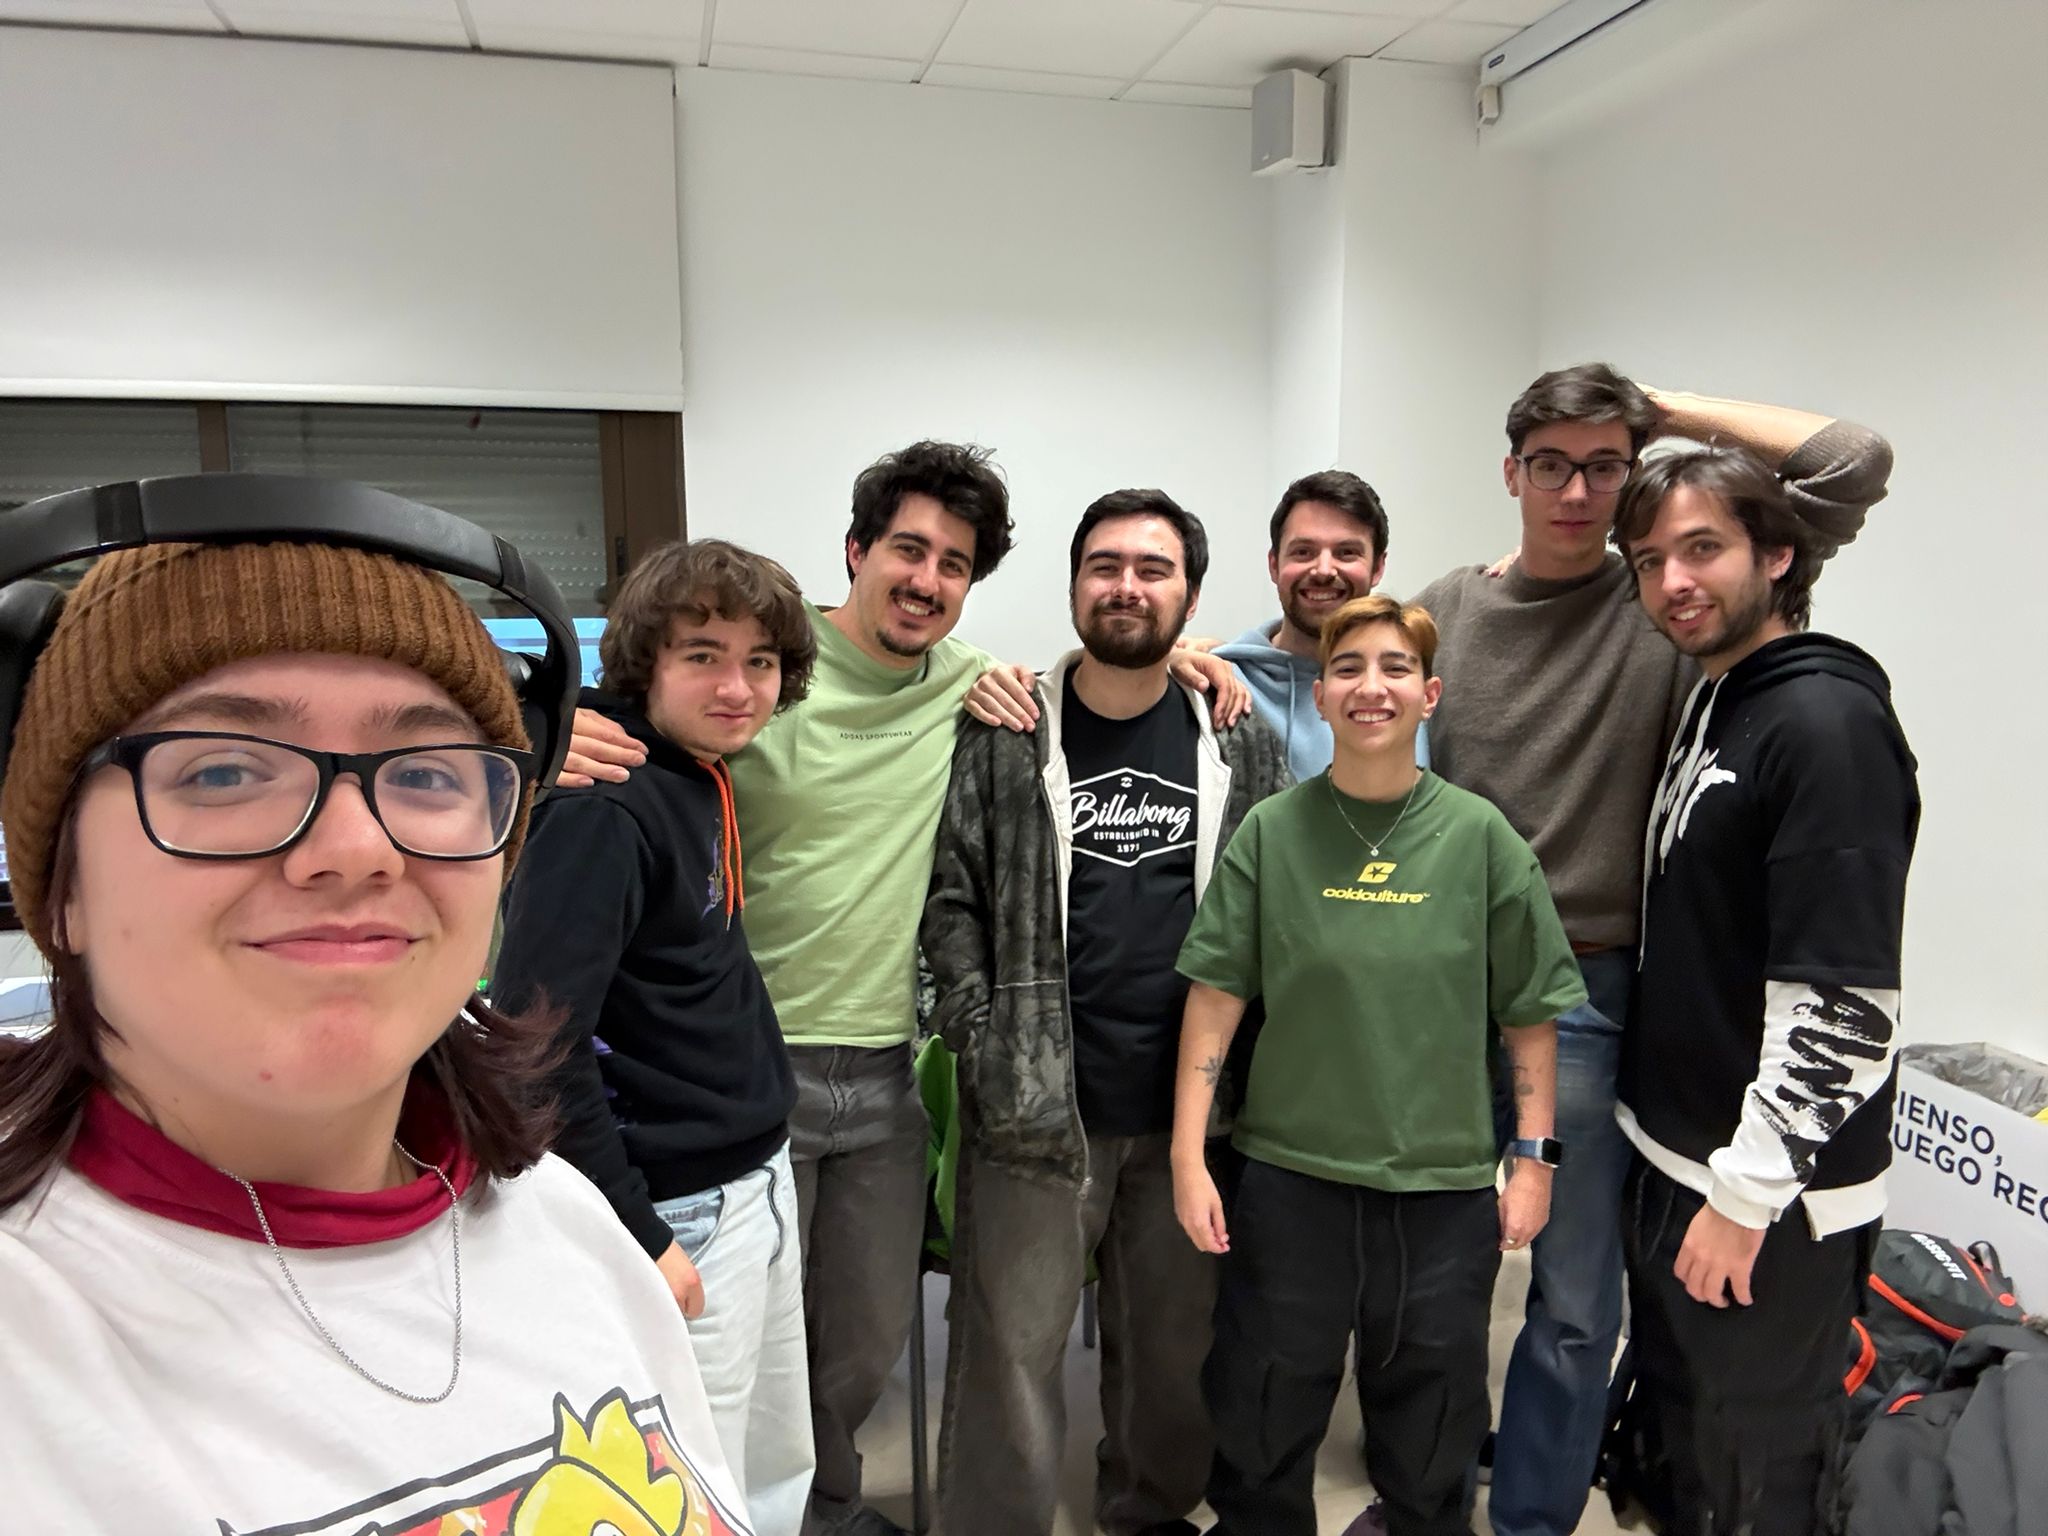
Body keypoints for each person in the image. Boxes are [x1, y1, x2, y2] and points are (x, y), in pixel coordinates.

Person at [0, 478, 750, 1534]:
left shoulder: (568, 1229)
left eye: (429, 774)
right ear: (62, 885)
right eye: (223, 771)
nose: (356, 850)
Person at [560, 443, 1245, 1536]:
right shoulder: (767, 673)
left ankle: (823, 1508)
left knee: (860, 1345)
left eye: (954, 564)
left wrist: (1205, 661)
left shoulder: (975, 691)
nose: (926, 580)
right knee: (734, 1349)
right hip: (747, 1073)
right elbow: (649, 710)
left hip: (882, 1074)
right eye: (907, 550)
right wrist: (542, 731)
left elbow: (1118, 672)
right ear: (856, 550)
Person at [1412, 366, 1894, 1536]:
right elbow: (1333, 666)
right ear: (1509, 473)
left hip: (1588, 992)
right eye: (1550, 464)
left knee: (1575, 1300)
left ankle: (1531, 1516)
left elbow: (1848, 460)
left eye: (1603, 465)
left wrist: (1657, 408)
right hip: (1442, 989)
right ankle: (1425, 1492)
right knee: (1433, 1282)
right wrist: (1198, 659)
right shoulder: (1454, 607)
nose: (1576, 491)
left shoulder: (1666, 610)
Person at [1170, 594, 1584, 1536]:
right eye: (1348, 667)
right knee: (1262, 1407)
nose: (1371, 687)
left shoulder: (1481, 837)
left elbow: (1529, 1017)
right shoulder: (1272, 832)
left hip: (1438, 1191)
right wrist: (1189, 1156)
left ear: (1429, 695)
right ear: (1319, 695)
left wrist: (1533, 1162)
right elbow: (1215, 999)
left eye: (1396, 668)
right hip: (1290, 1180)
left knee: (1433, 1426)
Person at [921, 490, 1291, 1536]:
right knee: (1007, 1352)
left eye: (1152, 569)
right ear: (1075, 583)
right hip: (1034, 1109)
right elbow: (952, 899)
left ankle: (1149, 1513)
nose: (1126, 586)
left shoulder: (1235, 738)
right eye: (1105, 566)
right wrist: (981, 1037)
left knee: (1174, 1353)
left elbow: (1270, 911)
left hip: (1192, 1116)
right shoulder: (1007, 726)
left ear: (1191, 597)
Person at [1610, 446, 1917, 1536]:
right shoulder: (1720, 699)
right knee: (1690, 1456)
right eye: (1650, 560)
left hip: (1766, 1203)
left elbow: (1843, 1008)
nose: (1673, 582)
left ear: (1778, 555)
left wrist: (1743, 1202)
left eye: (1702, 549)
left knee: (1756, 1477)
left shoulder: (1827, 727)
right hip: (1676, 1159)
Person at [492, 539, 818, 1536]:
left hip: (753, 1175)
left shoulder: (696, 772)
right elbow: (537, 1047)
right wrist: (642, 1234)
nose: (737, 688)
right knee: (691, 1485)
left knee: (772, 1466)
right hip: (680, 1208)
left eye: (760, 661)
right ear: (645, 662)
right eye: (702, 656)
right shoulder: (604, 803)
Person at [1212, 470, 1393, 782]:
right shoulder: (1220, 682)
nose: (1323, 570)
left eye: (1346, 553)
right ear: (1274, 565)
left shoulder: (1404, 690)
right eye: (1303, 552)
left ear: (1377, 567)